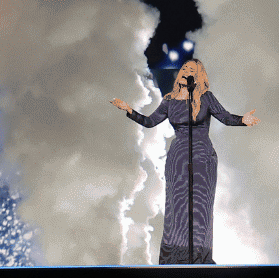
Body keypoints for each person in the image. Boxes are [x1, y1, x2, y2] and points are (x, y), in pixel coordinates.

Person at [110, 58, 259, 264]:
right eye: (184, 68)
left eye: (191, 70)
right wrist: (129, 110)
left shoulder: (206, 98)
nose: (185, 72)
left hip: (203, 158)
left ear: (197, 76)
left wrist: (243, 120)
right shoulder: (170, 100)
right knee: (177, 205)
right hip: (178, 158)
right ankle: (175, 257)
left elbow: (225, 117)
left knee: (200, 206)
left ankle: (200, 256)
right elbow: (150, 121)